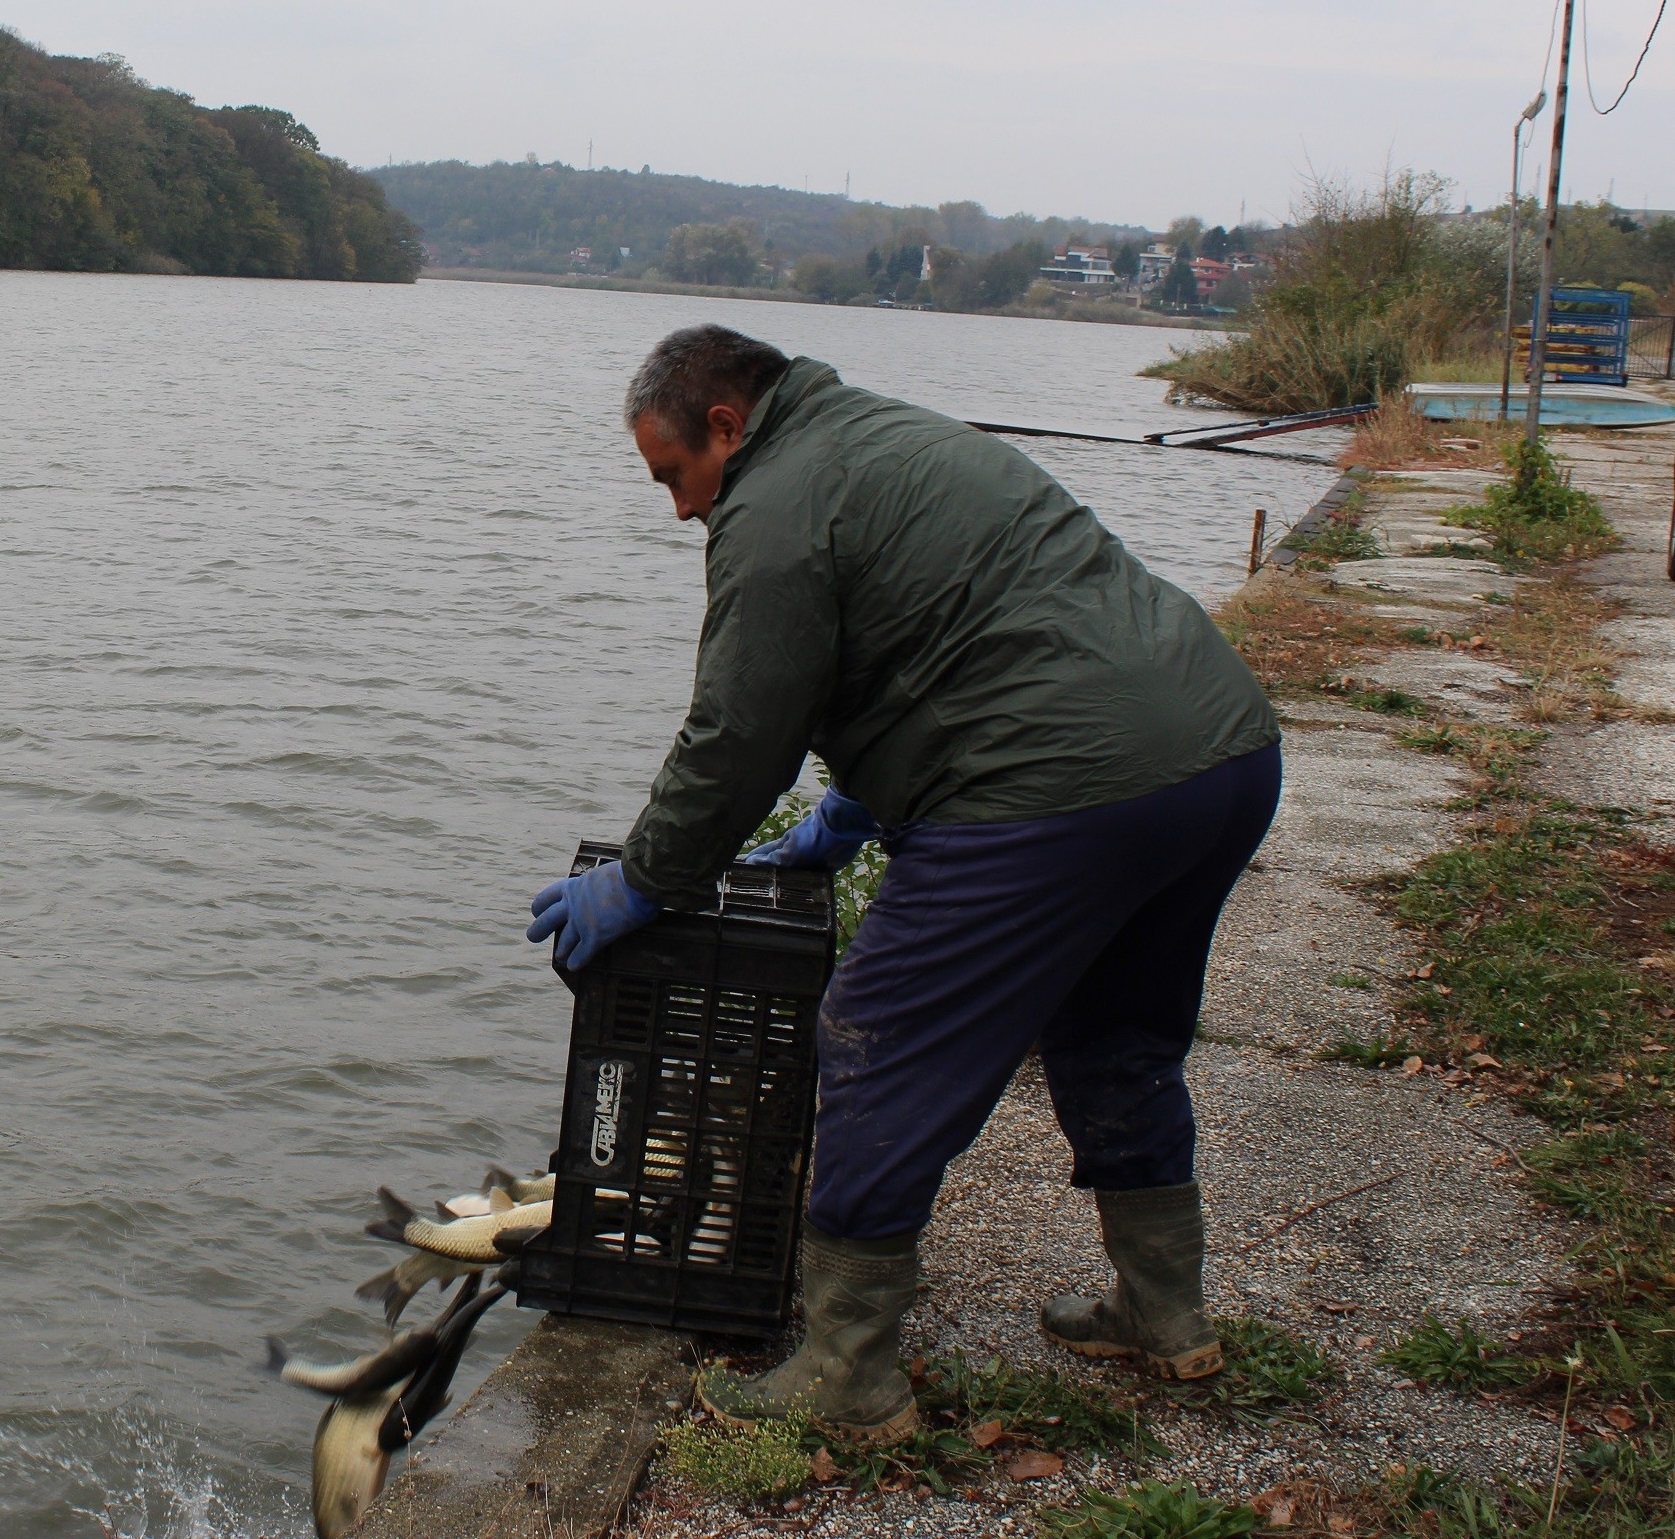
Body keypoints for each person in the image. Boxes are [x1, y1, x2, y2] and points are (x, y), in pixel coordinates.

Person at [526, 325, 1281, 1441]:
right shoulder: (884, 436)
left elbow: (737, 734)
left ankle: (849, 1376)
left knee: (875, 1034)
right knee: (1116, 1033)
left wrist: (648, 878)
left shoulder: (775, 509)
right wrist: (854, 808)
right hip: (1219, 757)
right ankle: (1167, 1314)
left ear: (725, 428)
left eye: (674, 476)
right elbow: (963, 629)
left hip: (1059, 790)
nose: (681, 508)